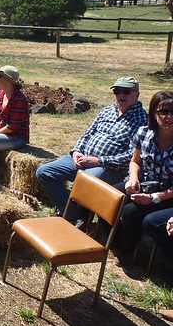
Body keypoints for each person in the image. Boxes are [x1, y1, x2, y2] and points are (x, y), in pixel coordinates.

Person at [36, 76, 148, 222]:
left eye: (125, 91)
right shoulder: (107, 110)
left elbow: (132, 156)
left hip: (108, 167)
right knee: (44, 172)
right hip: (82, 158)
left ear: (137, 93)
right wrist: (76, 151)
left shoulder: (143, 120)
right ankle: (73, 214)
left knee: (83, 183)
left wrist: (98, 160)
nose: (120, 94)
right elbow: (88, 133)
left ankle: (75, 217)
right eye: (117, 91)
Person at [111, 91, 173, 266]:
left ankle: (127, 252)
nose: (169, 117)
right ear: (154, 113)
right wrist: (133, 178)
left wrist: (154, 198)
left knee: (130, 211)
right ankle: (115, 241)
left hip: (168, 194)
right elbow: (135, 161)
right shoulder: (144, 132)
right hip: (146, 182)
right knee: (109, 196)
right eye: (163, 112)